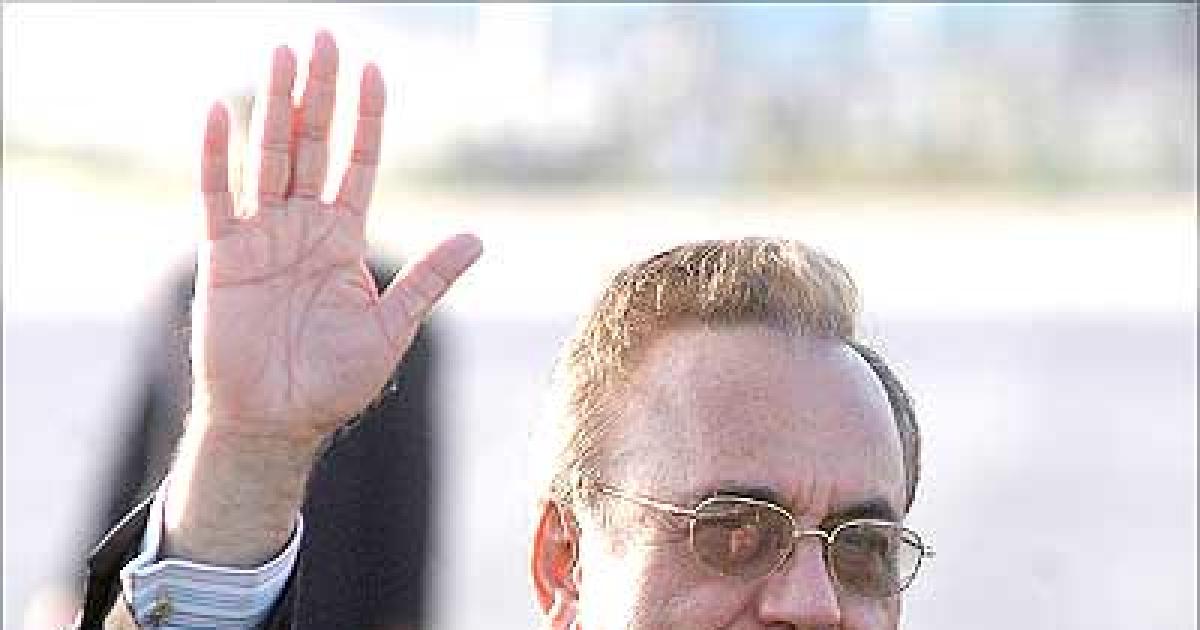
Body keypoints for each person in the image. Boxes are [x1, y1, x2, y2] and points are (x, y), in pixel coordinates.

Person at [76, 31, 932, 629]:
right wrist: (250, 449)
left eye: (862, 551)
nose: (814, 605)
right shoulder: (219, 305)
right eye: (734, 531)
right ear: (566, 562)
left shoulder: (414, 335)